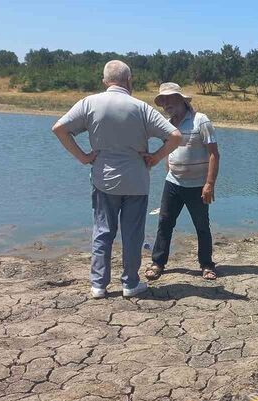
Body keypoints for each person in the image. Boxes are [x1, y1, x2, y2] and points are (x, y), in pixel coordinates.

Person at [52, 60, 182, 299]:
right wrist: (154, 157)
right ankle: (130, 283)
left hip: (104, 179)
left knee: (103, 231)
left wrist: (83, 157)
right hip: (136, 181)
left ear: (104, 81)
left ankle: (99, 285)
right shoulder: (141, 108)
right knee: (133, 235)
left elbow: (59, 128)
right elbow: (174, 136)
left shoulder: (90, 103)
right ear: (129, 80)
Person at [145, 82, 220, 281]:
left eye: (170, 98)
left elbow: (214, 154)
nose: (166, 103)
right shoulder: (166, 123)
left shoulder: (200, 120)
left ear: (181, 100)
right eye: (163, 100)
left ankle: (206, 265)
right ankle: (158, 263)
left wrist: (209, 184)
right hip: (173, 183)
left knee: (202, 226)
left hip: (198, 186)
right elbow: (168, 149)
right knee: (165, 223)